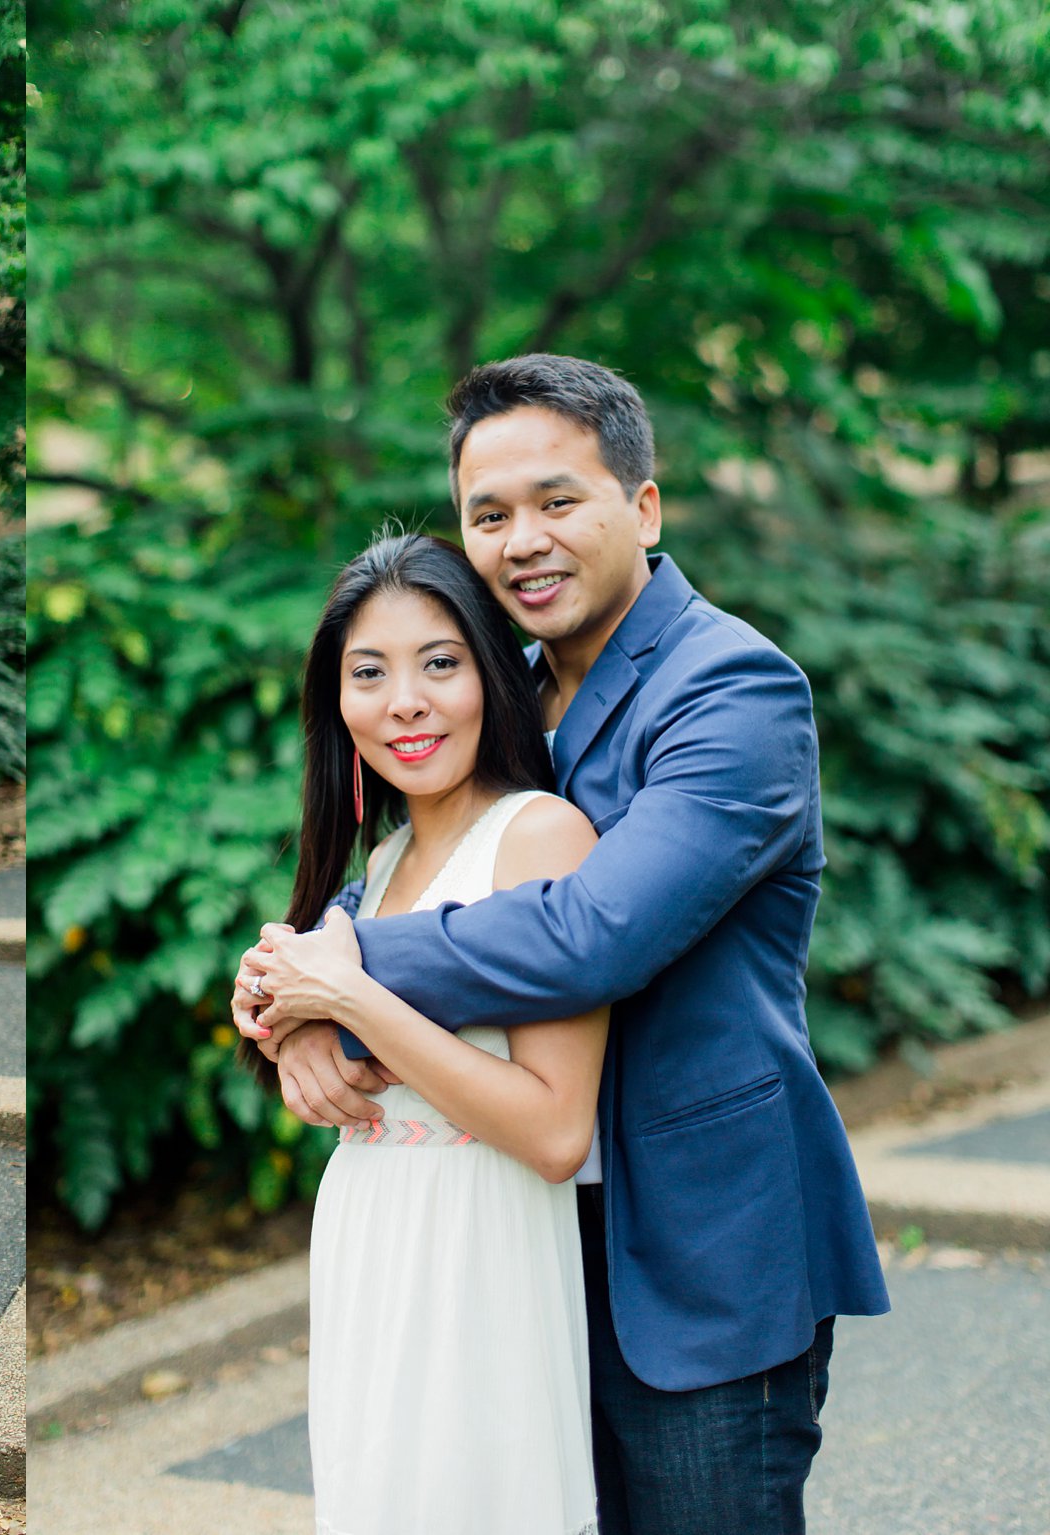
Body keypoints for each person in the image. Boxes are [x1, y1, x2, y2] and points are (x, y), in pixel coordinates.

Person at [239, 354, 889, 1534]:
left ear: (641, 506)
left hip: (699, 1251)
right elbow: (415, 860)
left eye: (556, 501)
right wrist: (291, 989)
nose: (520, 539)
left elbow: (594, 933)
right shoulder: (495, 686)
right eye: (488, 514)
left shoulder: (732, 690)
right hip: (516, 1256)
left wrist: (340, 975)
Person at [244, 532, 608, 1534]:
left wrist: (350, 1002)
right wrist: (288, 1030)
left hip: (479, 1249)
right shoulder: (384, 860)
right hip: (368, 1231)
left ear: (491, 673)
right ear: (337, 703)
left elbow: (552, 1132)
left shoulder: (538, 836)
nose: (403, 700)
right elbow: (322, 1003)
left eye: (437, 662)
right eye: (368, 672)